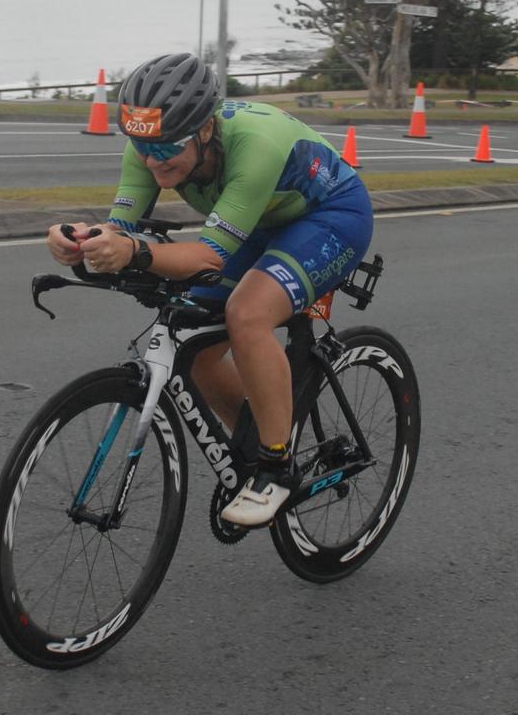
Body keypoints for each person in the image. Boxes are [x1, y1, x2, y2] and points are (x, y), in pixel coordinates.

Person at [46, 53, 373, 527]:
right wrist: (81, 241)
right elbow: (121, 230)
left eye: (165, 148)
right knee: (193, 346)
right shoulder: (148, 144)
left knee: (247, 314)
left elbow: (205, 257)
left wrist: (137, 253)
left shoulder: (254, 147)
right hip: (257, 222)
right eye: (141, 147)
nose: (151, 160)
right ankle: (261, 426)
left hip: (331, 217)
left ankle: (276, 465)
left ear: (203, 131)